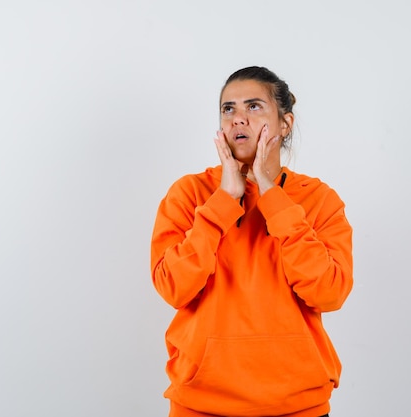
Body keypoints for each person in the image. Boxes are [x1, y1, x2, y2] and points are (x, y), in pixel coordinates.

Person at [150, 66, 353, 417]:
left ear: (285, 123)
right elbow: (173, 288)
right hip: (201, 403)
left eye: (253, 106)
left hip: (298, 404)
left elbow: (329, 292)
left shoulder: (318, 199)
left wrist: (272, 197)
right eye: (228, 109)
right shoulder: (190, 193)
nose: (238, 119)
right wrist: (224, 200)